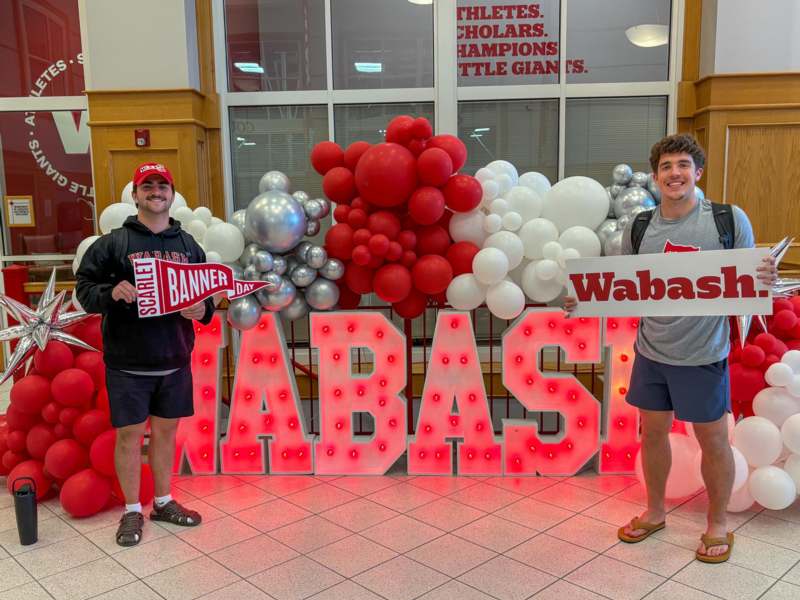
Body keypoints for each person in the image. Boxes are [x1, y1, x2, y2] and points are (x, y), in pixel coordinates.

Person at [563, 134, 778, 563]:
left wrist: (765, 276)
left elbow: (750, 277)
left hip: (703, 353)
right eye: (666, 166)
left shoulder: (727, 219)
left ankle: (718, 523)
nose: (674, 173)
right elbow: (626, 285)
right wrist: (585, 297)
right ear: (656, 175)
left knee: (713, 440)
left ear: (698, 173)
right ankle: (655, 512)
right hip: (651, 351)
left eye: (683, 165)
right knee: (653, 432)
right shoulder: (641, 226)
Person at [76, 162, 215, 547]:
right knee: (130, 437)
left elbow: (206, 297)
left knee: (166, 434)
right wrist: (110, 293)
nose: (156, 191)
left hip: (174, 359)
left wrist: (202, 310)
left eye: (162, 185)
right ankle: (132, 509)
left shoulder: (188, 245)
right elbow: (84, 290)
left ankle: (163, 502)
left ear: (171, 193)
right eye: (148, 186)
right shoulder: (113, 244)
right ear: (136, 194)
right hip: (128, 363)